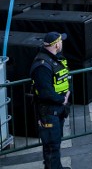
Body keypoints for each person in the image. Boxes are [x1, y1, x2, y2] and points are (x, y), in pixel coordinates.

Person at [30, 31, 70, 169]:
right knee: (52, 146)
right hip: (49, 111)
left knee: (54, 143)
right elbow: (45, 92)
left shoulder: (54, 58)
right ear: (56, 45)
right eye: (61, 41)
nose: (62, 43)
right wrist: (62, 100)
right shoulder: (42, 65)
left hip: (56, 109)